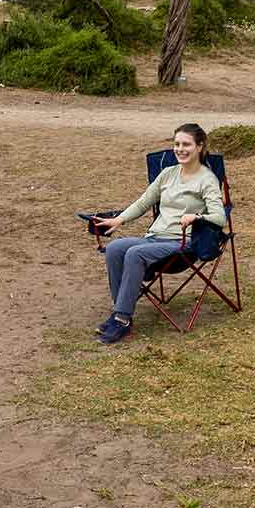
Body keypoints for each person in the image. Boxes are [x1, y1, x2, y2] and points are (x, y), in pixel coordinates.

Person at [91, 124, 226, 344]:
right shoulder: (168, 173)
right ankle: (119, 312)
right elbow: (144, 202)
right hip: (154, 238)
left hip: (184, 244)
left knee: (135, 254)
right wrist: (119, 219)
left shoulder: (207, 179)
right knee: (115, 248)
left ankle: (123, 319)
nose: (180, 149)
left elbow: (220, 217)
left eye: (186, 144)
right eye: (177, 144)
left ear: (200, 147)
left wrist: (197, 218)